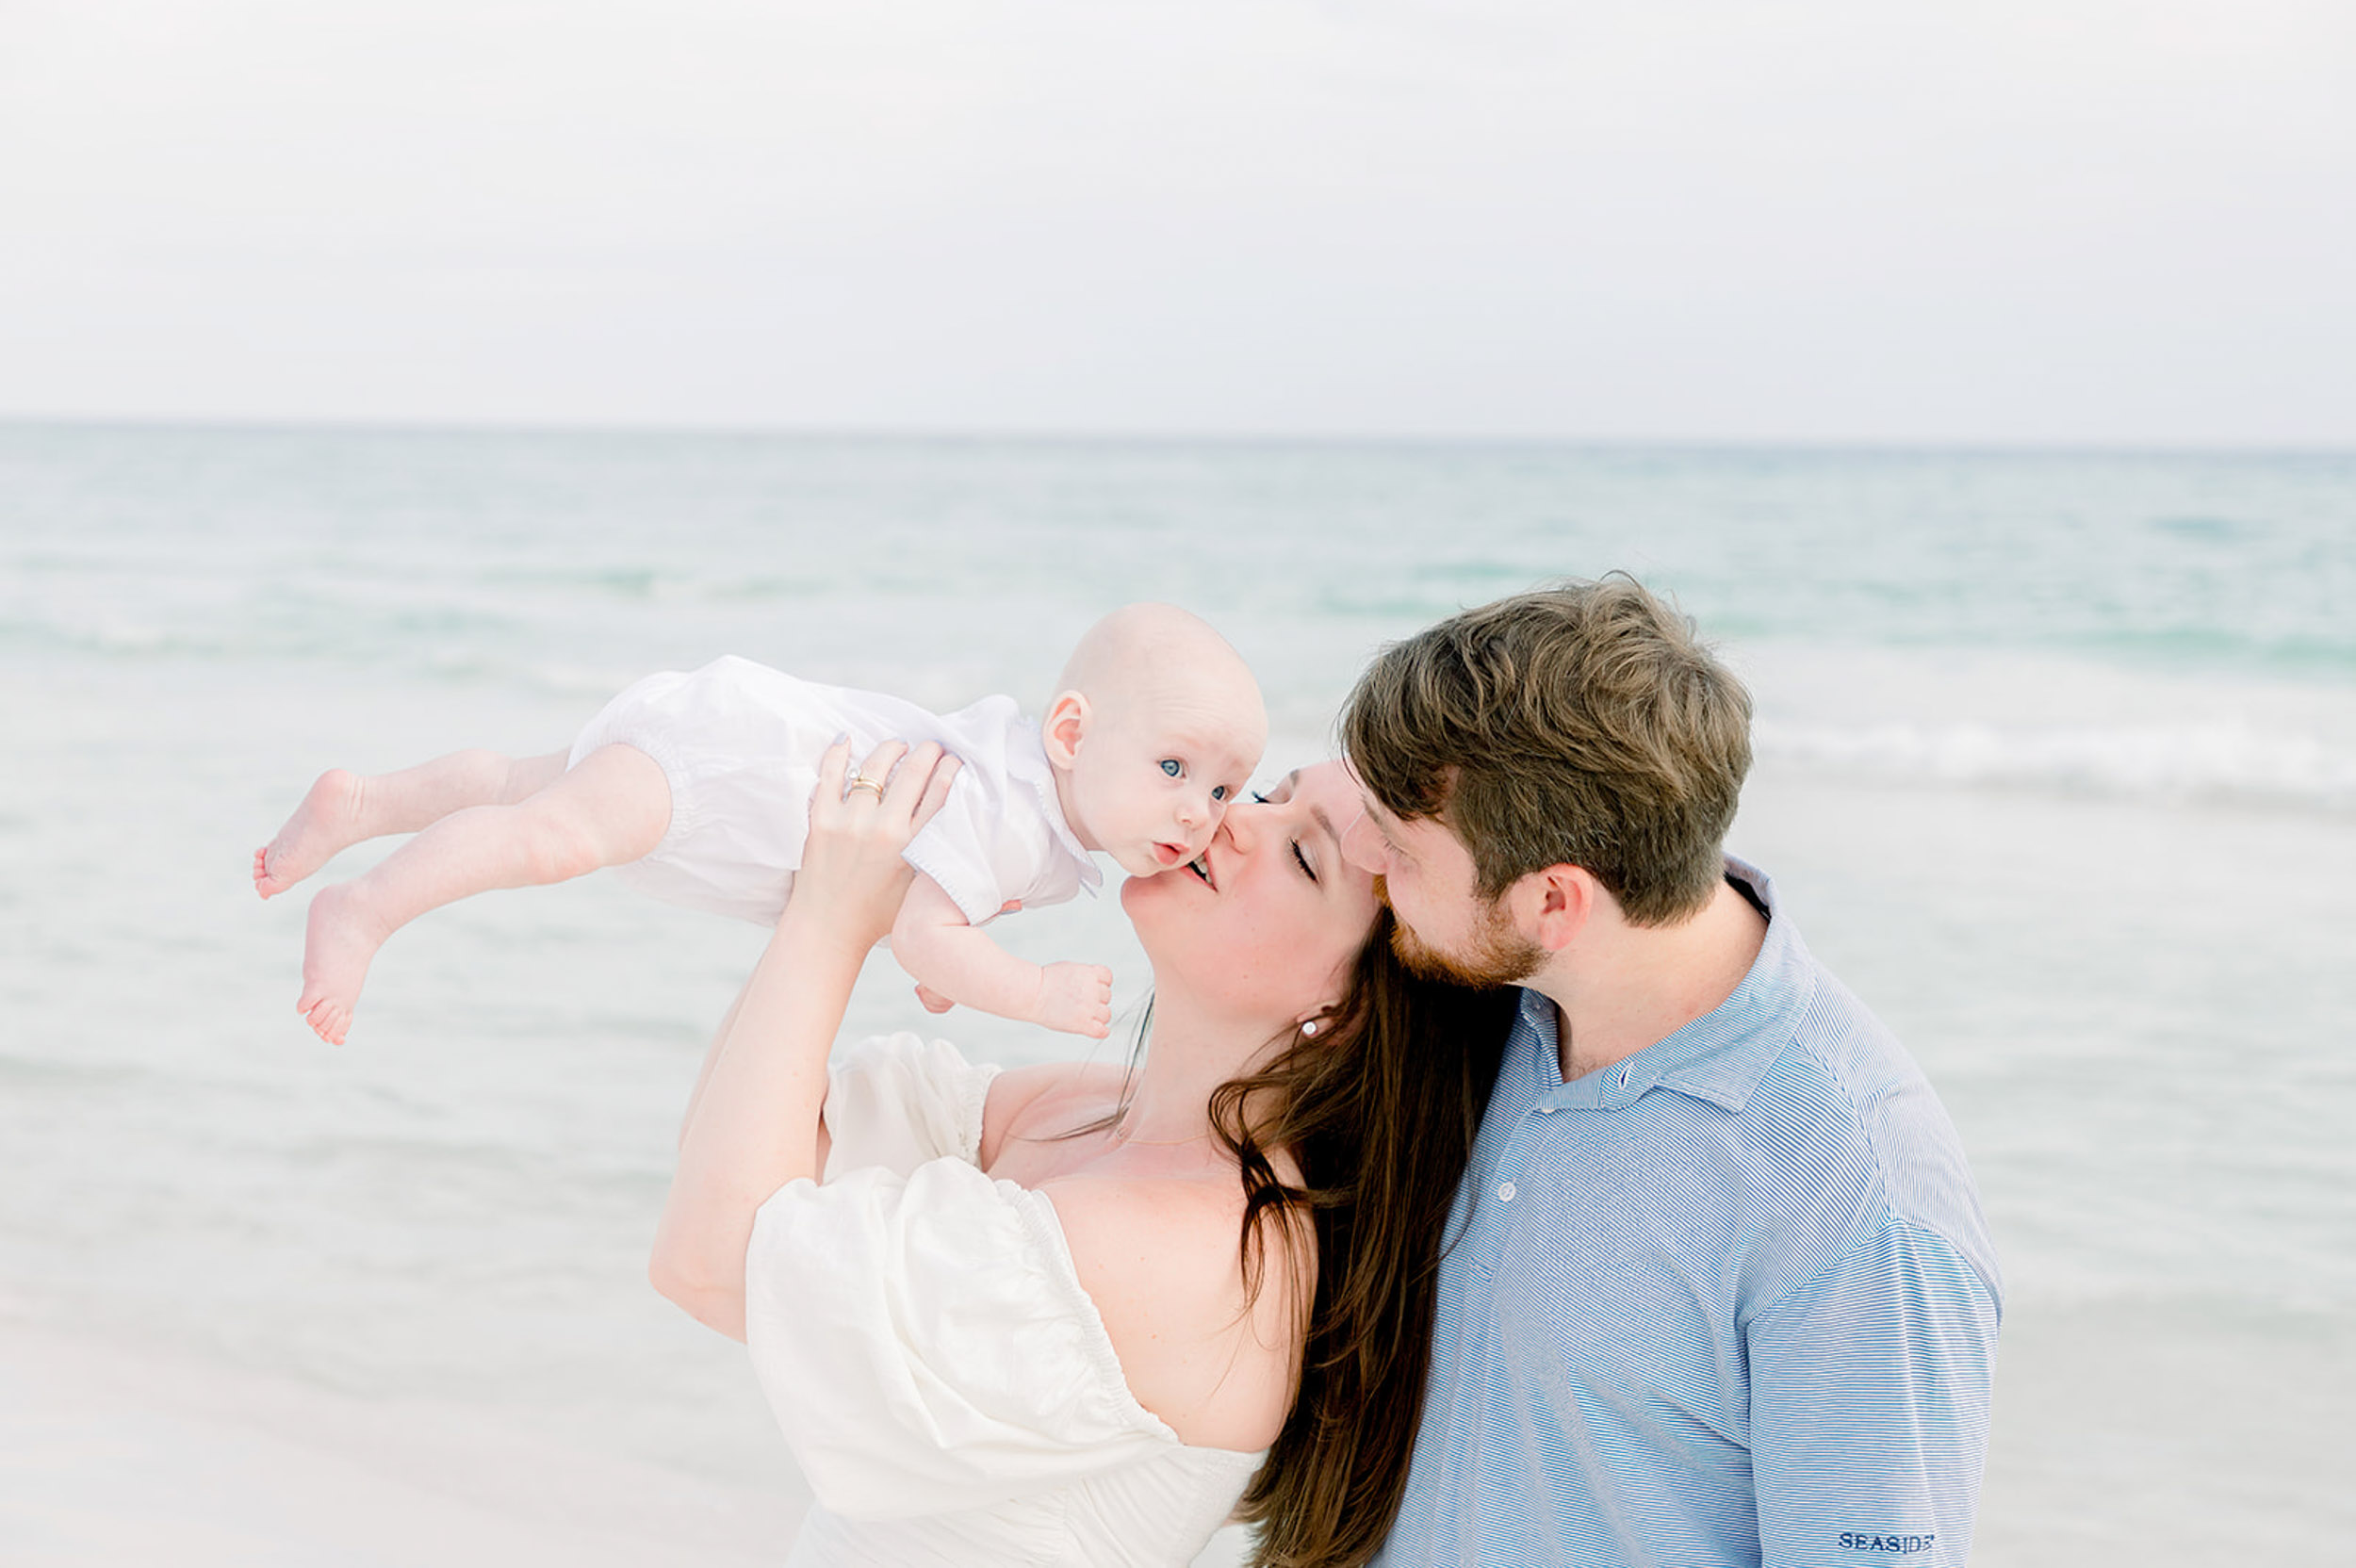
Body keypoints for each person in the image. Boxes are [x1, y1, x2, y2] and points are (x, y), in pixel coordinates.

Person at [648, 739, 1518, 1568]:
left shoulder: (1202, 1246)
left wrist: (831, 923)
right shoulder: (1092, 1111)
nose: (1231, 821)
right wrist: (866, 890)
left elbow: (712, 1262)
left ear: (1345, 1009)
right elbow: (733, 1149)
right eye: (1267, 794)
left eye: (1303, 856)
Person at [1337, 579, 2003, 1568]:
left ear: (1552, 902)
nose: (1365, 861)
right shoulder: (1502, 1004)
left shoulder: (1855, 1196)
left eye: (1396, 847)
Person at [252, 602, 1266, 1045]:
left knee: (527, 785)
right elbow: (926, 927)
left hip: (726, 745)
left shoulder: (1038, 811)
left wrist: (948, 961)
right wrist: (1029, 992)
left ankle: (365, 803)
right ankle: (366, 907)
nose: (1197, 810)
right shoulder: (1019, 811)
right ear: (1072, 731)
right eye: (1174, 766)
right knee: (552, 837)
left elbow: (930, 903)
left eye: (1224, 790)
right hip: (731, 774)